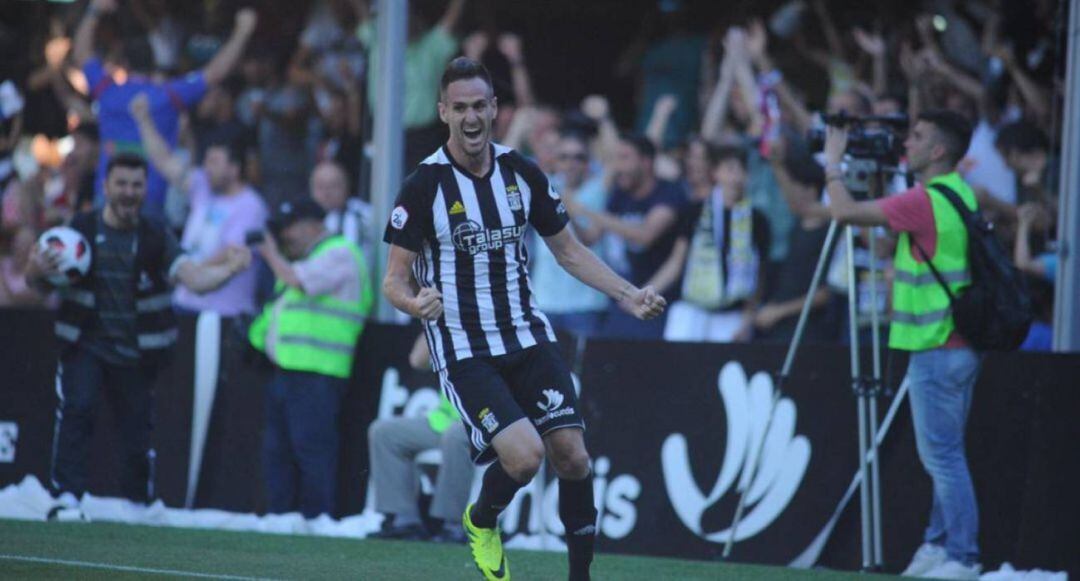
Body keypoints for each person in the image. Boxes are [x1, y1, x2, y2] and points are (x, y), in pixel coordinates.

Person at [382, 57, 665, 581]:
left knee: (574, 458)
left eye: (479, 106)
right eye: (459, 107)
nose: (471, 117)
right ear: (444, 111)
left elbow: (570, 252)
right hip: (465, 349)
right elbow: (393, 280)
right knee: (525, 458)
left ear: (495, 109)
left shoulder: (522, 173)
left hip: (528, 336)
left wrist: (629, 294)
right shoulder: (423, 187)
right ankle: (481, 519)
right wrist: (415, 303)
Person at [24, 153, 252, 511]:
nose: (129, 192)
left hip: (136, 354)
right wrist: (35, 269)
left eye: (136, 185)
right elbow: (38, 287)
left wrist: (230, 270)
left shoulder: (155, 235)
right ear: (106, 186)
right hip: (84, 344)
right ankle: (65, 497)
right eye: (122, 184)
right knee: (77, 411)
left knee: (135, 436)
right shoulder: (78, 230)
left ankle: (137, 508)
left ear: (146, 189)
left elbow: (194, 279)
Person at [824, 110, 983, 580]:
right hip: (959, 345)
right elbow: (891, 244)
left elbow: (845, 213)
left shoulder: (925, 199)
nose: (905, 144)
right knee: (946, 455)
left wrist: (833, 164)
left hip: (936, 346)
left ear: (937, 151)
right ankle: (938, 546)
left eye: (915, 137)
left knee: (944, 458)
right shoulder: (960, 193)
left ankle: (963, 556)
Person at [248, 197, 374, 519]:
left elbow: (300, 282)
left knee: (312, 450)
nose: (285, 236)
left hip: (320, 372)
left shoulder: (341, 252)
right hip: (287, 369)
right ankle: (281, 518)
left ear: (312, 225)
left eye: (290, 228)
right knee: (277, 451)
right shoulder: (303, 259)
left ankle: (318, 520)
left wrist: (270, 254)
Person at [72, 0, 257, 216]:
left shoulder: (108, 92)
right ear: (154, 65)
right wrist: (242, 32)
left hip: (107, 197)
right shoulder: (167, 96)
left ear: (124, 64)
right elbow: (214, 73)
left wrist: (94, 11)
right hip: (150, 201)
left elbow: (82, 55)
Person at [130, 93, 268, 316]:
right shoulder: (203, 187)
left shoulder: (251, 205)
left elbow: (230, 253)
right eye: (206, 160)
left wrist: (182, 272)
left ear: (234, 169)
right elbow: (165, 161)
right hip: (185, 303)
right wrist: (143, 120)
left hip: (223, 313)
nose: (206, 167)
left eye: (214, 162)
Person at [573, 133, 683, 340]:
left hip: (660, 301)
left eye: (624, 158)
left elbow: (645, 235)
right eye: (615, 159)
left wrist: (585, 212)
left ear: (646, 162)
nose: (617, 167)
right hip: (623, 300)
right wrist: (569, 214)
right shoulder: (619, 194)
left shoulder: (669, 193)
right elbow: (590, 238)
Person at [657, 145, 771, 342]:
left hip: (732, 314)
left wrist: (747, 320)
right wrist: (642, 293)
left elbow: (759, 277)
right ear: (715, 172)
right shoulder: (696, 211)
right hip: (693, 309)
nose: (736, 177)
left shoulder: (758, 219)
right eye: (730, 169)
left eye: (742, 170)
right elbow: (676, 263)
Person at [368, 335, 472, 543]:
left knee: (455, 436)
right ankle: (403, 522)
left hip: (489, 422)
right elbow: (418, 361)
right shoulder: (451, 322)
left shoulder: (496, 321)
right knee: (384, 433)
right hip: (445, 419)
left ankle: (452, 526)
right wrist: (432, 320)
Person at [532, 132, 610, 338]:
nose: (571, 163)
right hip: (545, 300)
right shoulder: (541, 186)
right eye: (564, 157)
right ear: (554, 161)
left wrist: (566, 207)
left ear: (588, 163)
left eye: (579, 157)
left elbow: (590, 239)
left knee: (585, 369)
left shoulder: (599, 189)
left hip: (586, 303)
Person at [310, 160, 373, 262]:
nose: (326, 193)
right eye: (320, 187)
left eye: (333, 186)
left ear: (346, 187)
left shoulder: (365, 216)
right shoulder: (302, 222)